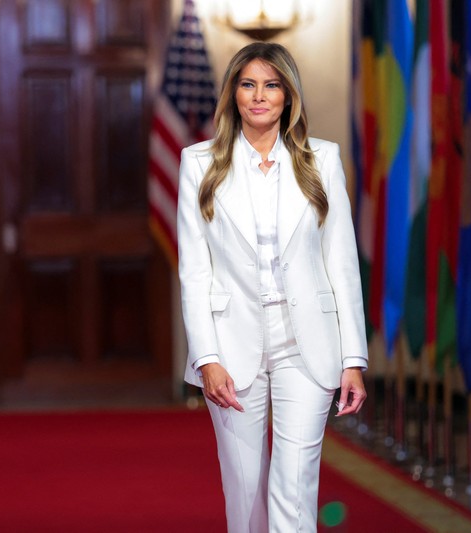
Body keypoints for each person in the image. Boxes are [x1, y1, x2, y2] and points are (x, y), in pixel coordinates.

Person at [177, 42, 367, 532]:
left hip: (306, 346)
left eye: (271, 85)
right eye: (248, 84)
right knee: (244, 492)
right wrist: (206, 358)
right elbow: (194, 272)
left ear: (289, 95)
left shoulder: (323, 159)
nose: (259, 96)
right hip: (229, 347)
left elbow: (342, 264)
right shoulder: (198, 162)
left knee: (294, 485)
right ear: (233, 93)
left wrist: (353, 359)